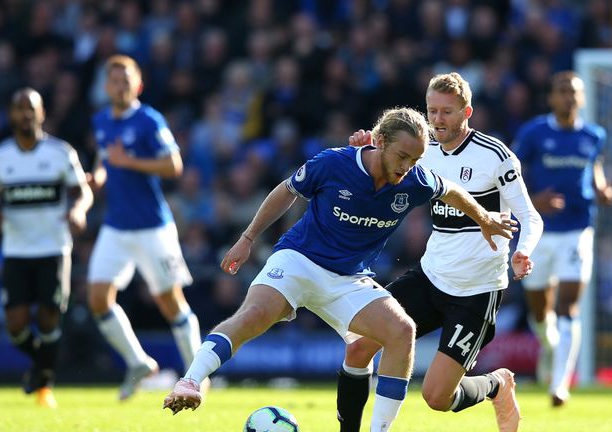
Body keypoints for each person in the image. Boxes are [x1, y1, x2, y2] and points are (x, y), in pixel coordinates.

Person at [163, 107, 517, 432]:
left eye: (415, 159)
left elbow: (452, 191)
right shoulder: (334, 164)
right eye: (402, 156)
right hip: (299, 260)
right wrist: (248, 237)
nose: (407, 167)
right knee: (255, 313)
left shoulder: (415, 180)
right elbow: (286, 191)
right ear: (379, 143)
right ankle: (191, 381)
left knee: (402, 331)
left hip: (349, 279)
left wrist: (484, 218)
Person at [336, 73, 543, 432]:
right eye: (432, 111)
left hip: (475, 294)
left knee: (436, 397)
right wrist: (366, 148)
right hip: (430, 277)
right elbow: (380, 165)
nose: (438, 119)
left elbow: (529, 216)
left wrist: (522, 251)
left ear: (468, 112)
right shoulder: (422, 149)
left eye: (447, 112)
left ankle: (497, 384)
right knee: (357, 348)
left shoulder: (495, 156)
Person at [86, 55, 202, 401]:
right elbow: (105, 159)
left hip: (152, 226)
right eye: (114, 81)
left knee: (170, 301)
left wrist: (129, 162)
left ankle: (197, 373)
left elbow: (174, 165)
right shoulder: (101, 120)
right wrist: (99, 176)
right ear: (106, 87)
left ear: (138, 85)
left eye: (126, 81)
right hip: (116, 226)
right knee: (97, 299)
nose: (119, 87)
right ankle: (139, 362)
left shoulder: (149, 120)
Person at [0, 88, 93, 408]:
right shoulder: (0, 158)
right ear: (10, 114)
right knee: (15, 325)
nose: (25, 114)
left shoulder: (60, 152)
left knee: (48, 318)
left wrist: (78, 210)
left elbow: (82, 192)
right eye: (19, 108)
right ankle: (43, 369)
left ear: (42, 113)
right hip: (16, 250)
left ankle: (42, 380)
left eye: (31, 108)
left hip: (54, 248)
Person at [513, 71, 612, 406]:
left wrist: (601, 188)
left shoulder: (593, 135)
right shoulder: (534, 133)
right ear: (551, 98)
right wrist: (533, 201)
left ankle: (560, 385)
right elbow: (511, 176)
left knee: (569, 306)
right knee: (540, 314)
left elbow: (594, 167)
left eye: (574, 92)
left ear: (582, 98)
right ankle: (550, 348)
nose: (569, 97)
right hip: (540, 231)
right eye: (562, 91)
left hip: (578, 229)